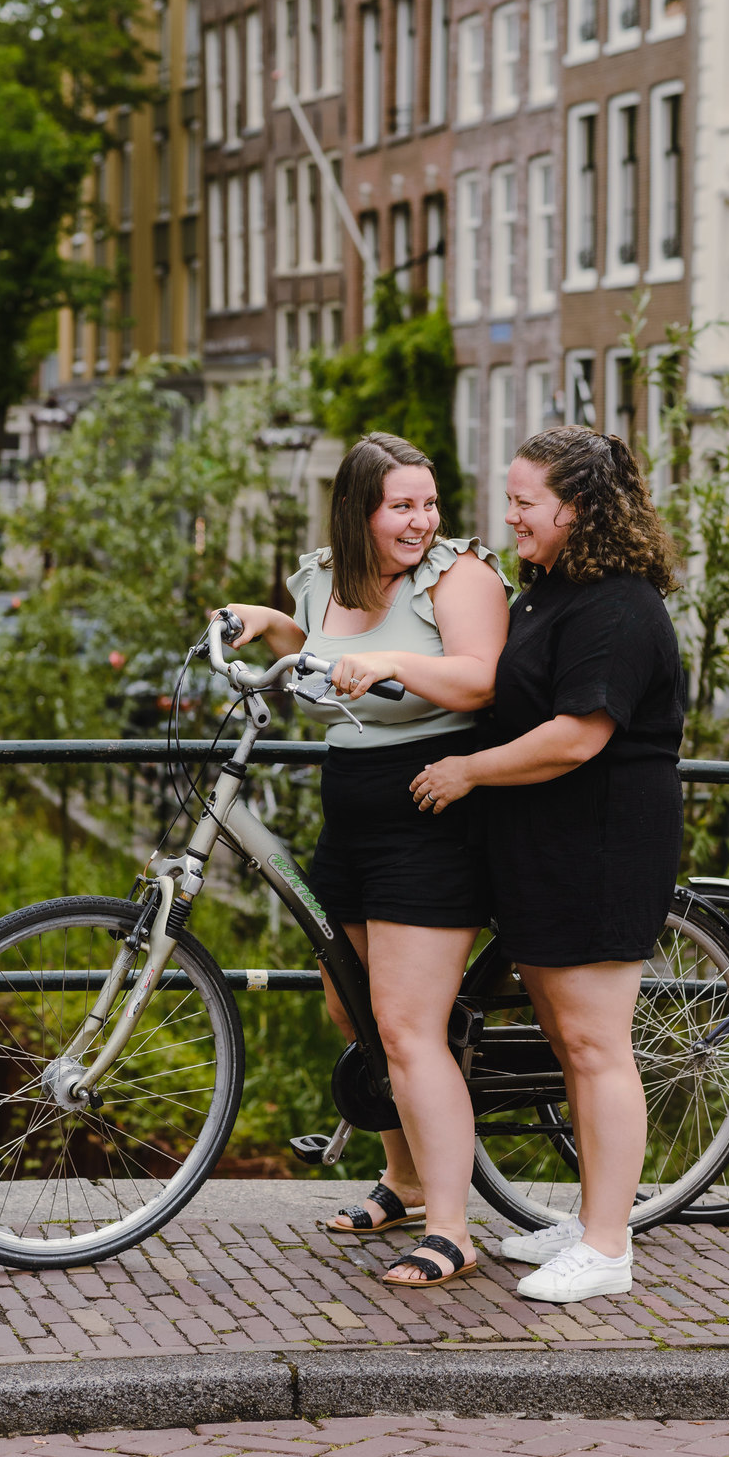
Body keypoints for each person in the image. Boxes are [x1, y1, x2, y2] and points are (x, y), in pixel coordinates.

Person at [224, 432, 510, 1287]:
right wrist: (261, 622)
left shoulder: (460, 576)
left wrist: (389, 660)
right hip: (348, 806)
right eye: (402, 506)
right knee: (352, 1012)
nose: (422, 520)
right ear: (359, 513)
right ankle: (407, 1178)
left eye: (428, 503)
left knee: (410, 1028)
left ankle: (455, 1229)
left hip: (430, 809)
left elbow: (481, 678)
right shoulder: (321, 577)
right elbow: (308, 639)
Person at [411, 424, 683, 1305]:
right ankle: (593, 1216)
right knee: (572, 1042)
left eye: (526, 501)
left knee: (600, 1046)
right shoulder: (553, 590)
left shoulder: (618, 607)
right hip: (548, 847)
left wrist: (466, 771)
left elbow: (577, 736)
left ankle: (609, 1247)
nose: (511, 514)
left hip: (599, 846)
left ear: (577, 508)